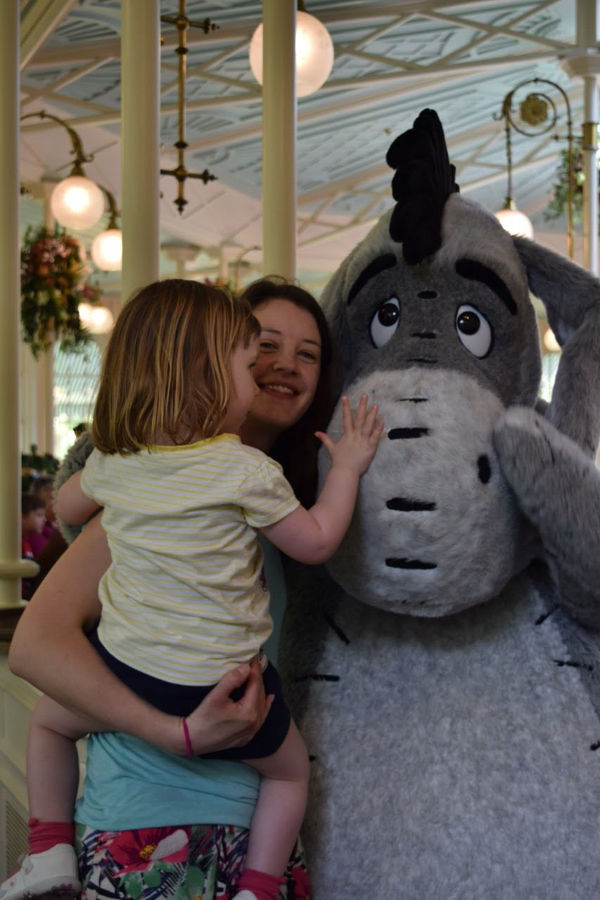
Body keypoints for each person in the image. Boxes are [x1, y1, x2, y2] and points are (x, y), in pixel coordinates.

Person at [5, 279, 382, 900]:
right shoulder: (236, 480)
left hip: (238, 816)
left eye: (309, 353)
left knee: (47, 724)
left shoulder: (135, 473)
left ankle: (47, 851)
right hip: (150, 822)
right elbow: (34, 648)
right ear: (210, 372)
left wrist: (102, 462)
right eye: (259, 347)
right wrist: (172, 732)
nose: (283, 364)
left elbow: (66, 497)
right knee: (293, 771)